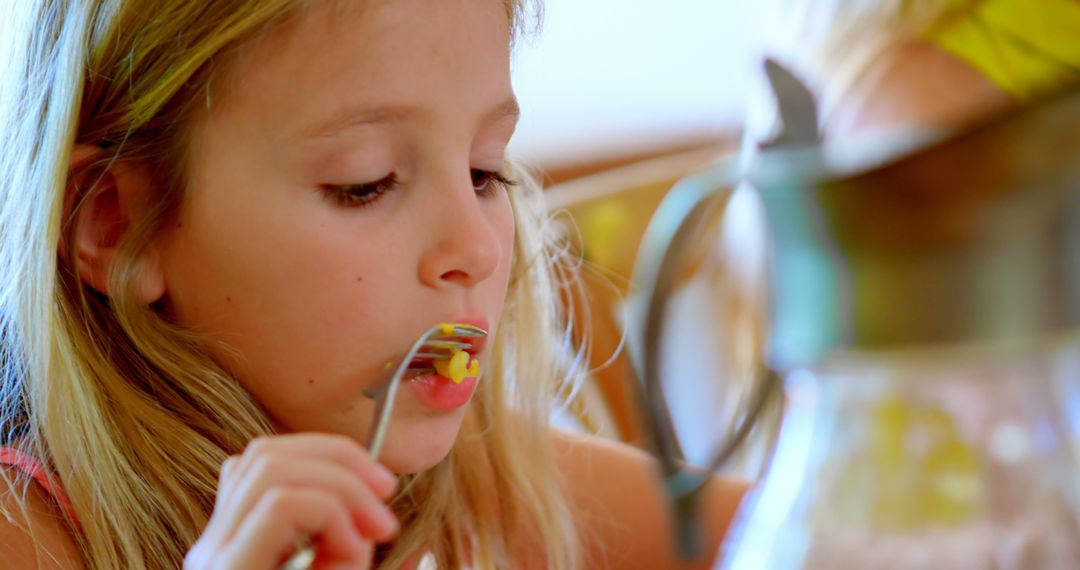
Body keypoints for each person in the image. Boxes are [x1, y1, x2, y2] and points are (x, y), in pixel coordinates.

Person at [0, 1, 748, 569]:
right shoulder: (26, 531)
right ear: (115, 227)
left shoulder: (490, 487)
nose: (477, 249)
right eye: (367, 184)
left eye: (485, 171)